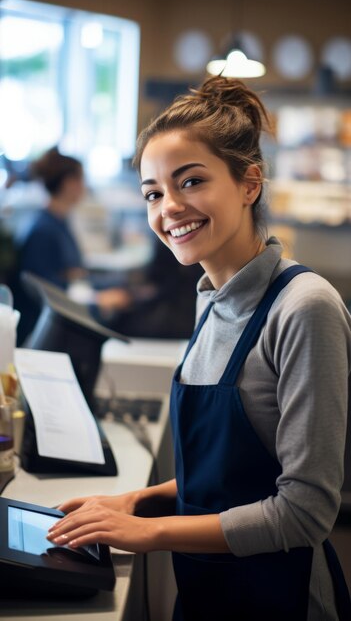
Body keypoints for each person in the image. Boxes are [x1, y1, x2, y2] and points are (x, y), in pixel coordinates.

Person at [46, 77, 351, 620]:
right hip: (209, 593)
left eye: (191, 181)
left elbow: (304, 512)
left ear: (249, 183)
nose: (169, 208)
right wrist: (136, 501)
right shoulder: (210, 297)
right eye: (153, 193)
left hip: (281, 599)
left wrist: (149, 531)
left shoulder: (304, 306)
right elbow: (226, 476)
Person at [10, 147, 131, 344]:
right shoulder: (43, 231)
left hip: (68, 307)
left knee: (124, 288)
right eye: (81, 179)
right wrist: (98, 300)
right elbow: (48, 294)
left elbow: (73, 275)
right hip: (45, 328)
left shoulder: (58, 222)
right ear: (68, 184)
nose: (85, 186)